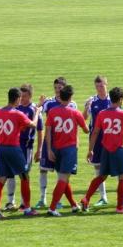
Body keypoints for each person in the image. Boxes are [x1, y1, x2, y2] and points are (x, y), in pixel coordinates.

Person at [80, 87, 123, 213]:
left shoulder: (102, 114)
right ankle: (120, 207)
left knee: (101, 176)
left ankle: (86, 198)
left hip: (105, 150)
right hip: (118, 149)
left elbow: (95, 132)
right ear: (121, 99)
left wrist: (90, 149)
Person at [0, 87, 41, 219]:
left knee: (1, 179)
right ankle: (27, 208)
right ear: (17, 99)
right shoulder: (17, 114)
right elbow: (33, 125)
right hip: (13, 149)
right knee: (24, 176)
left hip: (2, 149)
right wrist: (38, 112)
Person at [46, 85, 89, 217]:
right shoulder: (75, 113)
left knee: (63, 178)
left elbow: (48, 131)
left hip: (56, 148)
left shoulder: (52, 112)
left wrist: (48, 149)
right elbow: (86, 129)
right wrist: (85, 112)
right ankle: (52, 208)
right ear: (71, 98)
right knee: (63, 179)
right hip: (69, 150)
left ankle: (73, 205)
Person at [36, 77, 77, 209]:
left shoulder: (72, 104)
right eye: (55, 88)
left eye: (59, 88)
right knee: (43, 170)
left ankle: (58, 201)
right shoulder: (48, 103)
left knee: (63, 174)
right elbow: (37, 114)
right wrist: (39, 105)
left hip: (64, 143)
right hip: (50, 142)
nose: (57, 91)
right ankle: (42, 198)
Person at [4, 83, 43, 211]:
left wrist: (39, 149)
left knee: (24, 174)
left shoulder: (34, 110)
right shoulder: (16, 108)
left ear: (30, 96)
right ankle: (10, 202)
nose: (22, 98)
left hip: (26, 148)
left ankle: (23, 203)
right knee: (10, 174)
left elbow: (39, 130)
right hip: (13, 146)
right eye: (21, 96)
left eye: (25, 96)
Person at [82, 75, 111, 207]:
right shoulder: (92, 101)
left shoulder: (112, 100)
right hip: (96, 138)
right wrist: (85, 108)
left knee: (116, 167)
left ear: (106, 85)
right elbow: (84, 118)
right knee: (98, 167)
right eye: (97, 86)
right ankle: (103, 197)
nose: (99, 88)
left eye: (101, 85)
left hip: (110, 137)